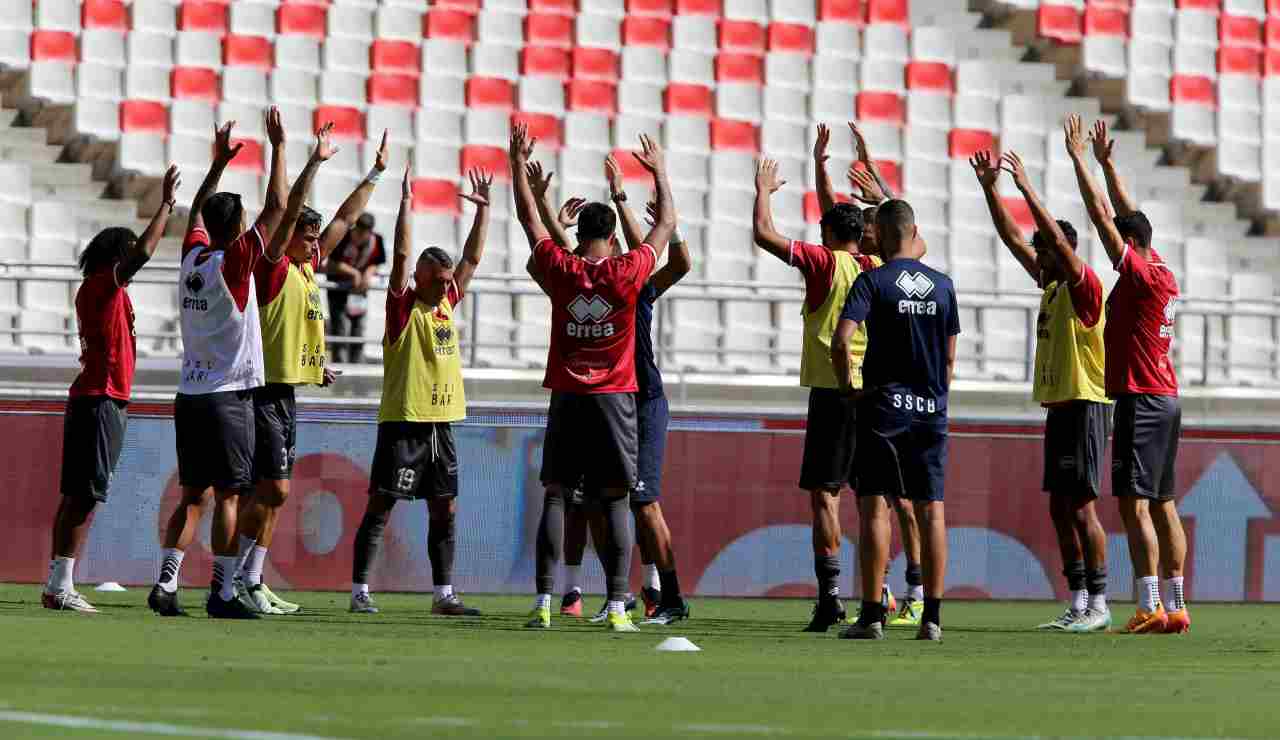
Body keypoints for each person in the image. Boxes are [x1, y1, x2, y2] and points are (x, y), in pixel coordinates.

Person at [515, 124, 676, 633]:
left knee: (557, 494)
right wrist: (659, 173)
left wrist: (517, 163)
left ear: (579, 232)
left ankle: (544, 602)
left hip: (567, 392)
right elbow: (666, 225)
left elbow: (528, 221)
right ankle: (619, 605)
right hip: (614, 396)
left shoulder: (562, 269)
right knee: (615, 498)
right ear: (610, 235)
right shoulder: (626, 271)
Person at [232, 130, 388, 615]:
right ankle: (237, 577)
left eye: (315, 237)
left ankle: (253, 579)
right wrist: (312, 163)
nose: (315, 241)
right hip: (262, 389)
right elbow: (287, 204)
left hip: (289, 390)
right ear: (290, 236)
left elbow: (344, 218)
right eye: (307, 234)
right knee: (272, 488)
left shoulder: (308, 265)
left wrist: (376, 174)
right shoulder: (274, 266)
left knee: (278, 493)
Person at [147, 110, 289, 620]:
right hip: (230, 395)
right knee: (231, 496)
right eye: (244, 220)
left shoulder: (193, 261)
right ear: (237, 228)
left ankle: (166, 585)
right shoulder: (234, 263)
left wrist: (217, 166)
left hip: (191, 394)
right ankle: (224, 593)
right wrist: (278, 146)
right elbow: (279, 205)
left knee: (192, 497)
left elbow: (196, 219)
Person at [973, 149, 1112, 633]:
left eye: (1047, 252)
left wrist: (1026, 184)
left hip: (1086, 404)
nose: (1039, 258)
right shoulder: (1052, 286)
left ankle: (1099, 600)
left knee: (1082, 506)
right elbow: (1014, 238)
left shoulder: (1083, 287)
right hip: (1060, 408)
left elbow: (1047, 237)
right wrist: (992, 189)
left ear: (1063, 253)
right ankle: (1077, 600)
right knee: (1059, 507)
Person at [751, 122, 881, 633]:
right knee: (877, 499)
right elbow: (871, 223)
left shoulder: (824, 263)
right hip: (874, 392)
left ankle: (830, 596)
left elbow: (764, 235)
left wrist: (763, 191)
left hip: (833, 391)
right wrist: (830, 170)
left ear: (829, 234)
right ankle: (885, 591)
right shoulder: (876, 263)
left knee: (825, 495)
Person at [348, 166, 492, 616]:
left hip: (442, 423)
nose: (448, 285)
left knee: (443, 509)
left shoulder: (447, 301)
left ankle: (442, 595)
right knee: (383, 503)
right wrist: (406, 202)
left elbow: (471, 261)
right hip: (403, 421)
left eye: (449, 280)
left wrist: (483, 213)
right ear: (422, 277)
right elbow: (403, 253)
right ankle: (360, 591)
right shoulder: (403, 308)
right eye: (439, 279)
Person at [556, 158, 692, 626]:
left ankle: (668, 595)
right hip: (604, 401)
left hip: (642, 400)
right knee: (597, 499)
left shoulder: (634, 283)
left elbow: (677, 261)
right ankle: (623, 592)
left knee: (642, 499)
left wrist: (624, 202)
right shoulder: (604, 277)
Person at [1067, 116, 1187, 634]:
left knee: (1133, 504)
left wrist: (1078, 161)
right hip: (1166, 397)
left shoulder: (1138, 274)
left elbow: (1102, 217)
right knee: (1164, 502)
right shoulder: (1161, 267)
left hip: (1139, 398)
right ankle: (1177, 602)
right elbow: (1123, 215)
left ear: (1129, 243)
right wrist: (1108, 163)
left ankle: (1148, 603)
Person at [42, 166, 181, 612]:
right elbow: (142, 252)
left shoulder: (104, 291)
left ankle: (57, 583)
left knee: (79, 495)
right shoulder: (103, 285)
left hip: (98, 397)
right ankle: (60, 586)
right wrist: (166, 205)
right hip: (100, 398)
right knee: (84, 495)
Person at [833, 199, 959, 642]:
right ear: (915, 230)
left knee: (875, 505)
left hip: (884, 408)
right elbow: (948, 357)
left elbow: (842, 337)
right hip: (931, 409)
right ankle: (933, 620)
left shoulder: (873, 281)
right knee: (932, 510)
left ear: (882, 234)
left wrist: (848, 386)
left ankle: (870, 616)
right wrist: (936, 397)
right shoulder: (943, 286)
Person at [845, 128, 927, 628]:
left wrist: (877, 183)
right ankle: (896, 593)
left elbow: (914, 234)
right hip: (896, 396)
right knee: (889, 501)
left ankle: (911, 592)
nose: (866, 230)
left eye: (873, 223)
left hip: (888, 398)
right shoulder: (878, 270)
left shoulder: (890, 272)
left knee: (897, 502)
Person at [325, 212, 386, 363]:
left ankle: (357, 366)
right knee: (341, 331)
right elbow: (331, 263)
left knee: (358, 331)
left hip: (359, 294)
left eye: (364, 233)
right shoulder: (343, 238)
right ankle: (341, 368)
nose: (360, 236)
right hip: (339, 293)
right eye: (359, 232)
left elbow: (377, 262)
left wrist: (368, 273)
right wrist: (353, 272)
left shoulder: (376, 241)